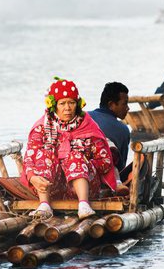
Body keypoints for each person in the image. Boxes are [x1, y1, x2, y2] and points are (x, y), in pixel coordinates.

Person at [20, 77, 117, 220]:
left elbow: (105, 161)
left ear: (77, 104)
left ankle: (84, 205)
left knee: (75, 157)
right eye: (62, 103)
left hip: (86, 187)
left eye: (71, 103)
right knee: (44, 154)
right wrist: (33, 177)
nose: (67, 108)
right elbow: (29, 158)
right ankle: (45, 205)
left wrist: (81, 166)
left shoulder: (88, 126)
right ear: (54, 105)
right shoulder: (42, 127)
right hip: (52, 188)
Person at [89, 82, 131, 173]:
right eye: (124, 104)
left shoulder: (85, 116)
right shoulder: (123, 130)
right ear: (111, 104)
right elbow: (121, 167)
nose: (128, 108)